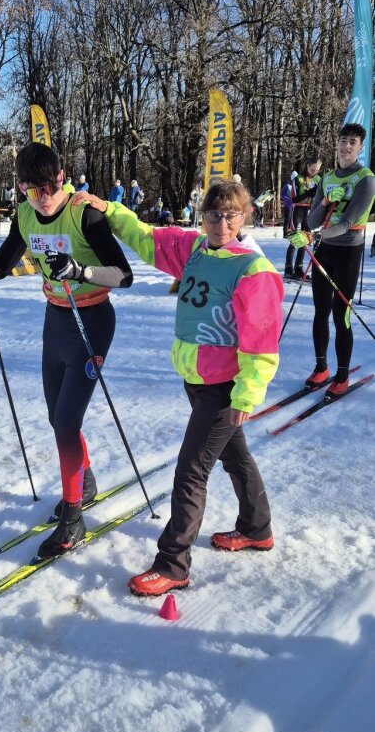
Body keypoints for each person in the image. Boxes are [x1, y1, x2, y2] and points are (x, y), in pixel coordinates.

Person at [73, 180, 283, 597]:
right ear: (202, 217)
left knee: (190, 472)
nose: (221, 224)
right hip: (197, 380)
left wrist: (246, 394)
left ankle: (173, 564)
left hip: (225, 387)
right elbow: (147, 238)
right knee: (234, 455)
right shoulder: (196, 250)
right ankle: (256, 527)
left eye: (231, 216)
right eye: (213, 215)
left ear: (245, 217)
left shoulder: (253, 270)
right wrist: (109, 210)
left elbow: (261, 341)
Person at [0, 142, 133, 558]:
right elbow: (1, 269)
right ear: (21, 188)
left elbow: (124, 275)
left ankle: (73, 518)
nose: (45, 197)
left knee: (67, 422)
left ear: (61, 178)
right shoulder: (24, 215)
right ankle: (84, 482)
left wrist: (80, 270)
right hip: (56, 321)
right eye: (34, 190)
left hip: (92, 321)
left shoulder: (84, 213)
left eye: (51, 187)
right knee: (57, 418)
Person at [290, 123, 375, 397]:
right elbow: (312, 219)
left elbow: (348, 223)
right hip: (325, 249)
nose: (346, 146)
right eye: (343, 140)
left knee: (341, 315)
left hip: (348, 251)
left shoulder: (365, 178)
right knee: (320, 311)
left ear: (360, 147)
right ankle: (321, 367)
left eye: (353, 142)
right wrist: (325, 202)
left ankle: (342, 373)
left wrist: (314, 235)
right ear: (336, 143)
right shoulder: (327, 178)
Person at [284, 157, 321, 279]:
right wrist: (309, 193)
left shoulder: (318, 179)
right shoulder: (298, 179)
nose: (314, 172)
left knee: (305, 240)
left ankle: (298, 268)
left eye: (317, 170)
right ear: (307, 166)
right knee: (295, 240)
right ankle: (288, 269)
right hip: (298, 211)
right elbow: (293, 199)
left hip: (310, 212)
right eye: (312, 170)